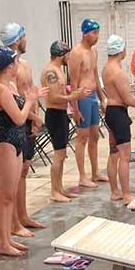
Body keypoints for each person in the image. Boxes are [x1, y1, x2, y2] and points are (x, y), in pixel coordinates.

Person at [0, 46, 44, 258]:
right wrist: (30, 100)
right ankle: (3, 242)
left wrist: (34, 114)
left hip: (18, 140)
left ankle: (8, 238)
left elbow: (22, 114)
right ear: (10, 65)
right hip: (6, 142)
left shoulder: (10, 85)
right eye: (15, 62)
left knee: (10, 195)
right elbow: (19, 118)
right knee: (4, 195)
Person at [0, 23, 44, 237]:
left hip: (29, 119)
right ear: (17, 40)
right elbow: (16, 101)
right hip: (18, 122)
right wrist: (33, 117)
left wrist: (36, 116)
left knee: (24, 170)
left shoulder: (24, 64)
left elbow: (31, 92)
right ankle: (14, 222)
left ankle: (23, 216)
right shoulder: (10, 69)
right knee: (14, 177)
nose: (26, 40)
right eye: (24, 36)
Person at [41, 41, 90, 203]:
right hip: (54, 114)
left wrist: (74, 94)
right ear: (61, 55)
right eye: (67, 54)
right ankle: (54, 191)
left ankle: (60, 188)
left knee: (62, 155)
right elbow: (54, 97)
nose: (69, 57)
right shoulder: (51, 72)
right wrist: (74, 96)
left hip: (61, 114)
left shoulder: (57, 70)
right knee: (58, 154)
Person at [102, 35, 135, 204]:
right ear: (121, 50)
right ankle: (126, 195)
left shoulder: (106, 68)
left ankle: (115, 192)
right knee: (125, 156)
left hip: (110, 112)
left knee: (114, 153)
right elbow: (127, 98)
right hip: (118, 114)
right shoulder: (118, 72)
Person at [68, 19, 108, 188]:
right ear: (85, 34)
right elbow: (73, 83)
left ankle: (95, 172)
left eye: (98, 33)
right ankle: (82, 176)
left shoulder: (94, 51)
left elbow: (95, 76)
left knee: (95, 135)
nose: (97, 36)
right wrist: (75, 109)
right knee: (82, 137)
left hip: (92, 97)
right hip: (82, 98)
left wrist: (102, 98)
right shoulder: (76, 53)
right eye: (94, 33)